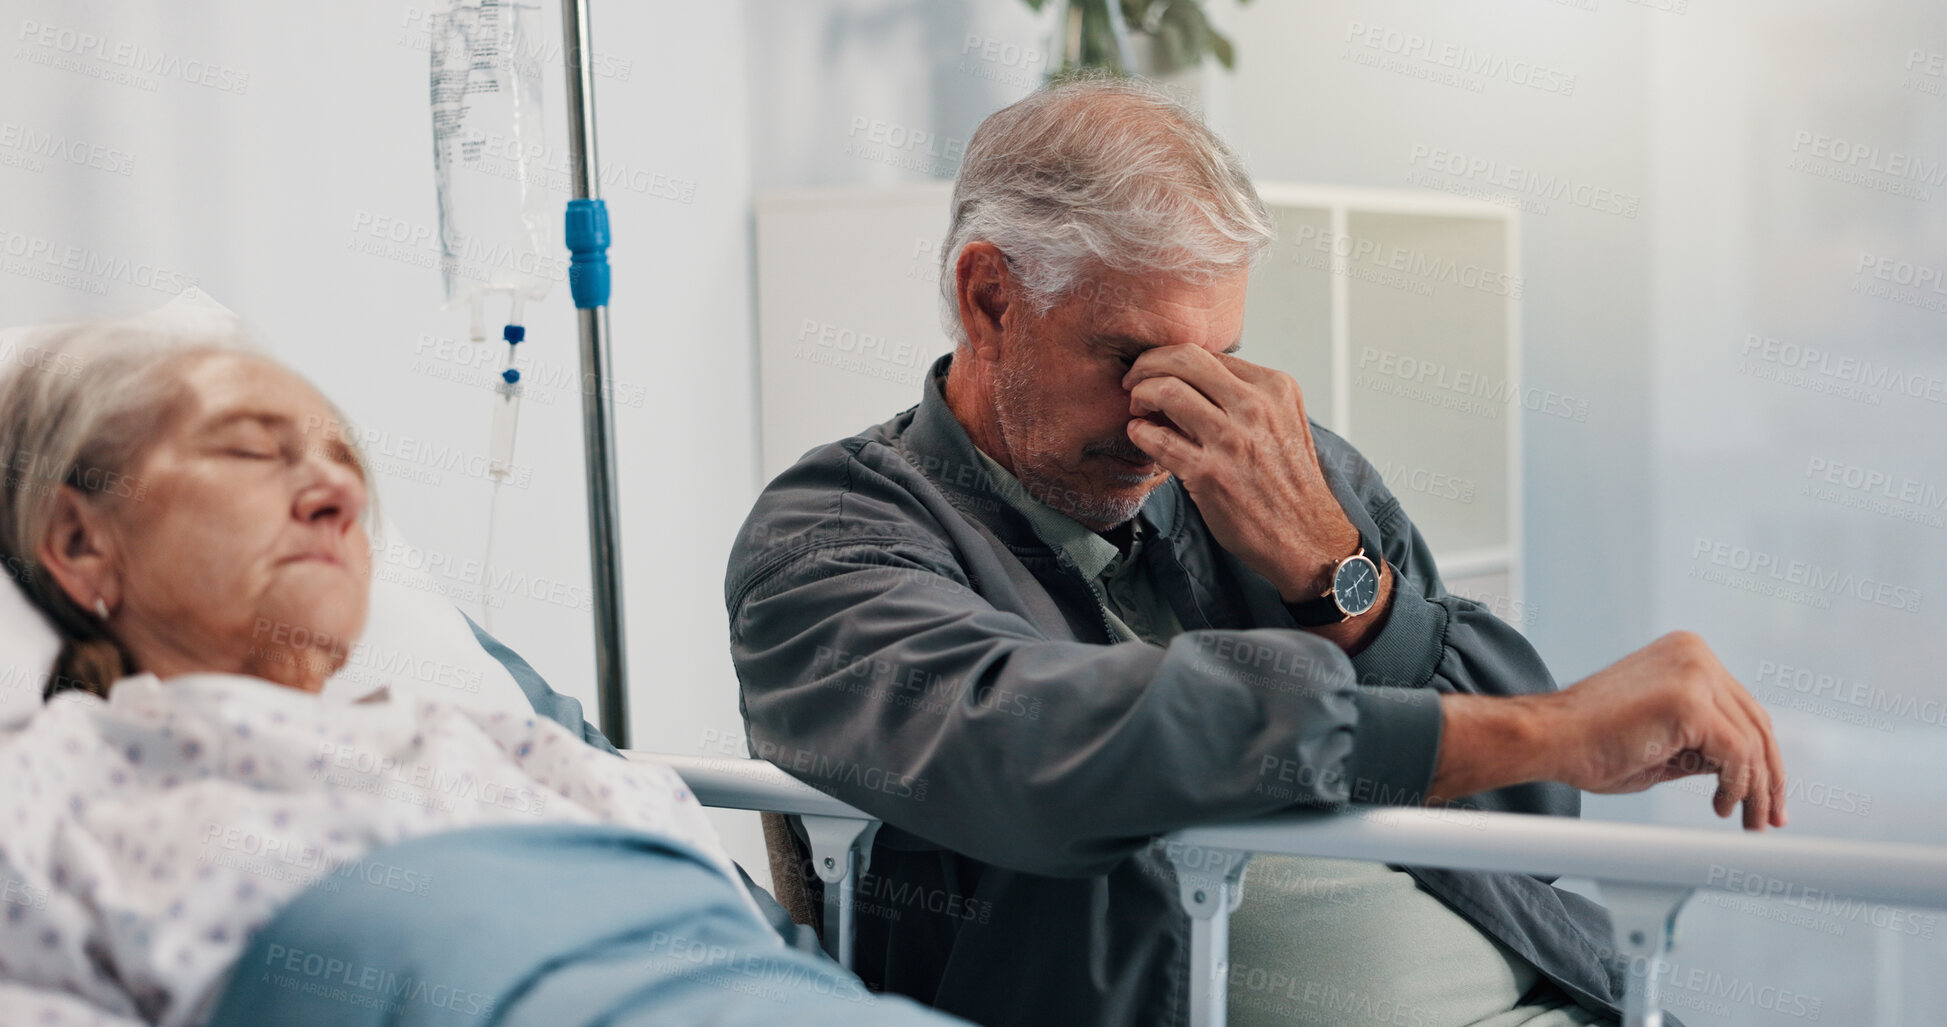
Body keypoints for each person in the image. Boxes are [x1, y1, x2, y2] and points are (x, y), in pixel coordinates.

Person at [725, 77, 1782, 1027]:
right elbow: (1057, 751)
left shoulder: (1276, 459)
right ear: (991, 298)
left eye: (1216, 357)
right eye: (1130, 356)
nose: (1167, 417)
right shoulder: (831, 536)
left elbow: (1532, 822)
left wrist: (1337, 580)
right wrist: (1547, 725)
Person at [0, 320, 963, 1027]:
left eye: (344, 462)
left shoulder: (498, 743)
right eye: (253, 449)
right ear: (81, 539)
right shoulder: (54, 798)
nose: (337, 491)